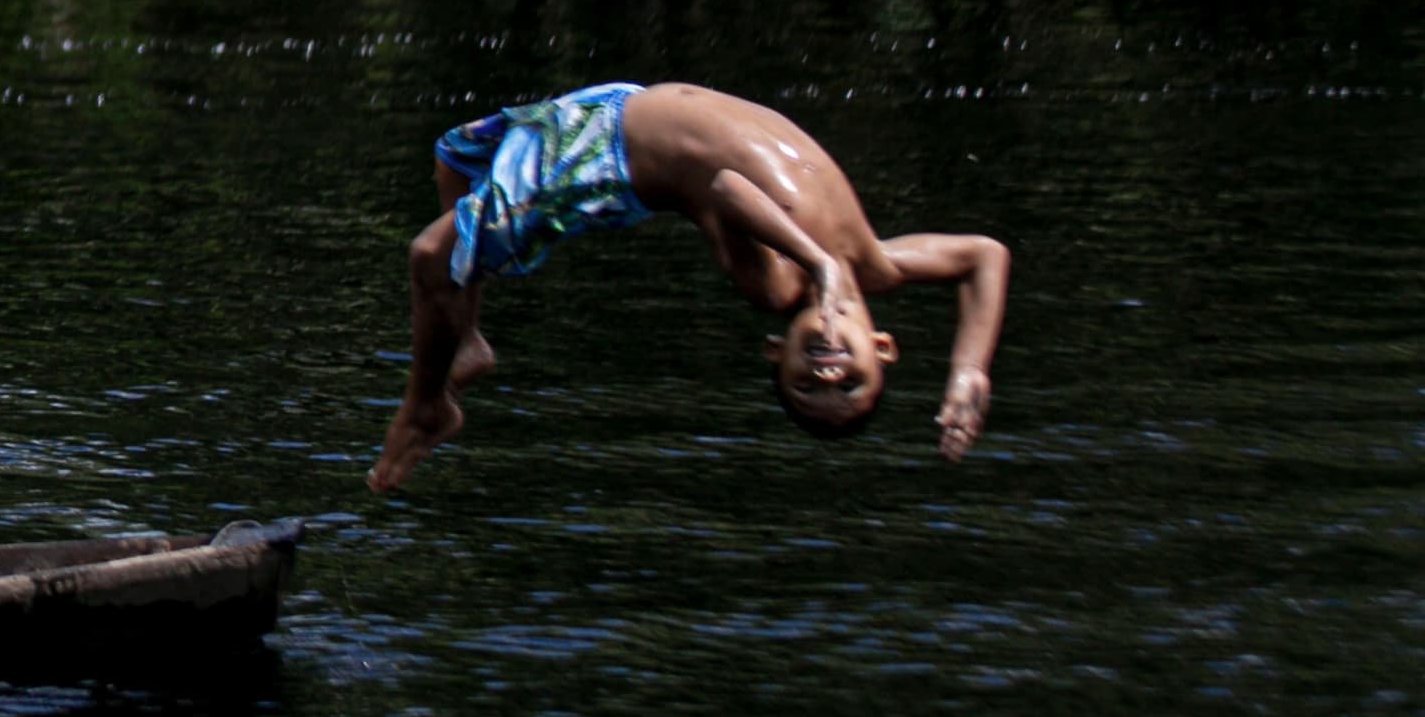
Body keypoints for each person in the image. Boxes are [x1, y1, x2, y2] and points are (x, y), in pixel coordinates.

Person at [369, 81, 1011, 490]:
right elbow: (984, 256)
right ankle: (469, 341)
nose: (827, 371)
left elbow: (728, 189)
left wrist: (814, 261)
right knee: (456, 160)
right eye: (851, 380)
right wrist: (968, 370)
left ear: (776, 350)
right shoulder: (876, 266)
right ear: (884, 347)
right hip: (617, 104)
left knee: (433, 256)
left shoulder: (780, 283)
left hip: (604, 161)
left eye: (804, 381)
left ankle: (428, 405)